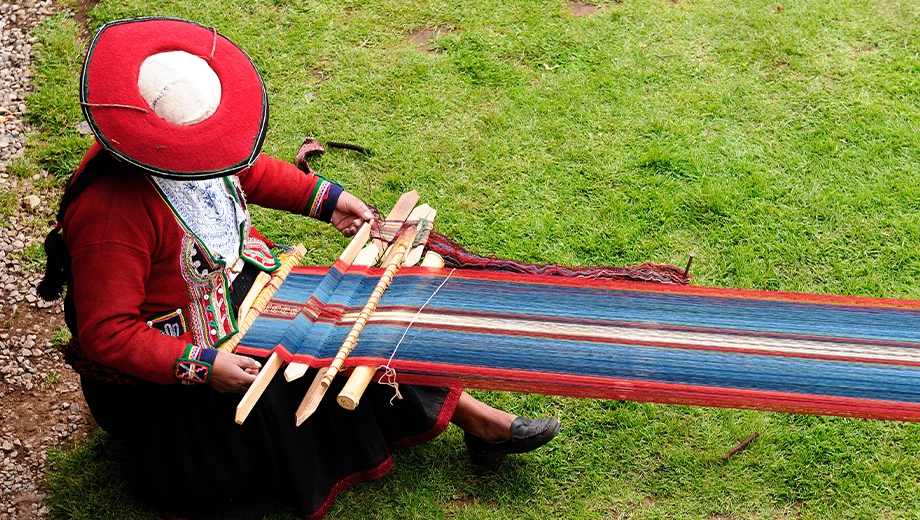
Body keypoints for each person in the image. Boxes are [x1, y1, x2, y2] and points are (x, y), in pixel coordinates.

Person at [38, 17, 560, 519]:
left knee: (358, 313)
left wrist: (325, 200)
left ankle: (473, 418)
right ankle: (472, 420)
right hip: (173, 353)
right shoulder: (111, 212)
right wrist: (201, 366)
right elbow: (107, 333)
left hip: (232, 288)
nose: (217, 154)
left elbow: (251, 169)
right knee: (311, 353)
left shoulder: (194, 147)